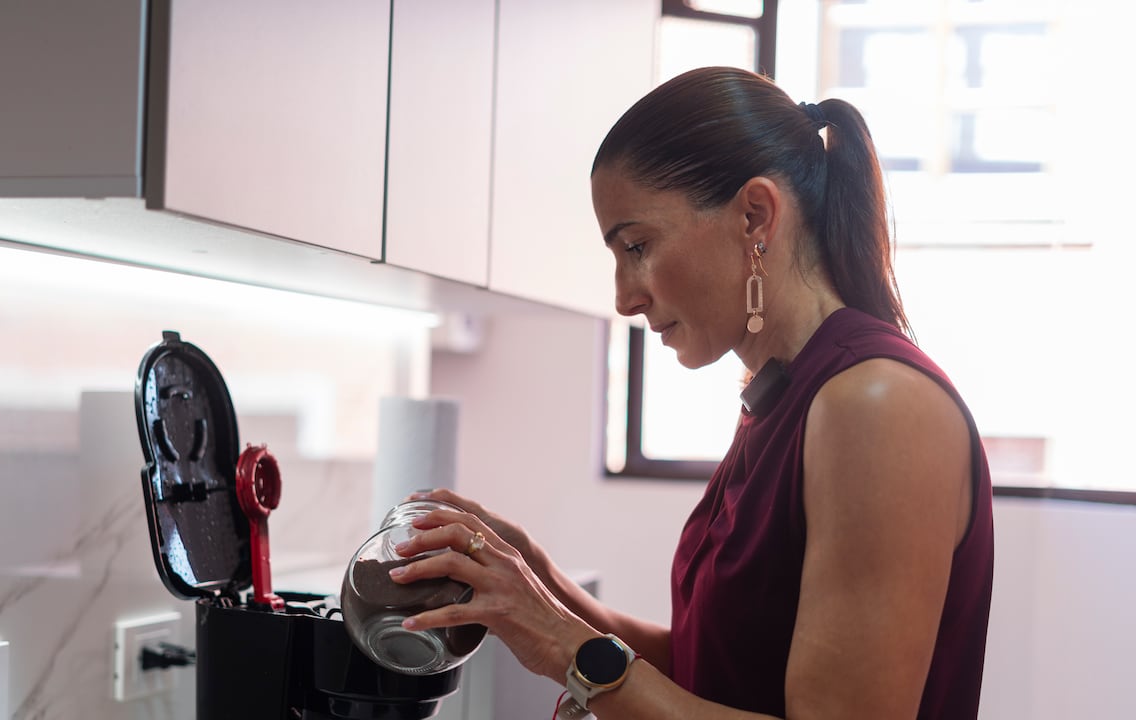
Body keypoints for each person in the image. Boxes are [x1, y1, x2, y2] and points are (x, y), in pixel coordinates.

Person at [387, 66, 994, 720]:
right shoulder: (781, 397)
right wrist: (534, 580)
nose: (624, 297)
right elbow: (711, 669)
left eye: (639, 246)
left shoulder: (876, 406)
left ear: (756, 216)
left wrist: (570, 650)